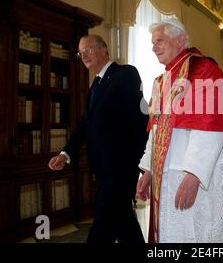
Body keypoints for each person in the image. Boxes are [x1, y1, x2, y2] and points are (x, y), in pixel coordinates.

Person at [136, 18, 223, 243]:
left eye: (160, 41)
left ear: (180, 39)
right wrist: (148, 170)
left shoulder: (203, 70)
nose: (154, 47)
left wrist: (194, 175)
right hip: (167, 176)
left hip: (194, 175)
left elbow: (210, 128)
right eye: (153, 43)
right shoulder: (160, 81)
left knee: (200, 235)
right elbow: (155, 131)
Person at [48, 35, 149, 243]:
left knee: (103, 223)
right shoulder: (95, 85)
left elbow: (140, 121)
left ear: (104, 49)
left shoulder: (125, 74)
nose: (83, 54)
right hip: (102, 169)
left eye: (88, 49)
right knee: (123, 222)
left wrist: (142, 165)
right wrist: (66, 152)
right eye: (80, 52)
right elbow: (85, 125)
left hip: (121, 168)